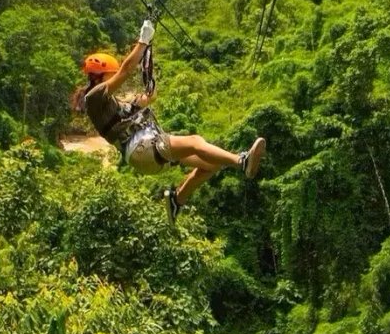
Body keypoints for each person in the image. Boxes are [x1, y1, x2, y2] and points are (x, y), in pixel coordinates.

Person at [72, 18, 266, 223]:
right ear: (102, 76)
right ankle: (242, 161)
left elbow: (145, 100)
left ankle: (177, 199)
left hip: (145, 151)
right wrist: (143, 40)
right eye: (111, 75)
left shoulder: (112, 103)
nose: (114, 79)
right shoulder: (94, 98)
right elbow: (126, 70)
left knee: (212, 163)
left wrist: (149, 90)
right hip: (142, 148)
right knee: (195, 141)